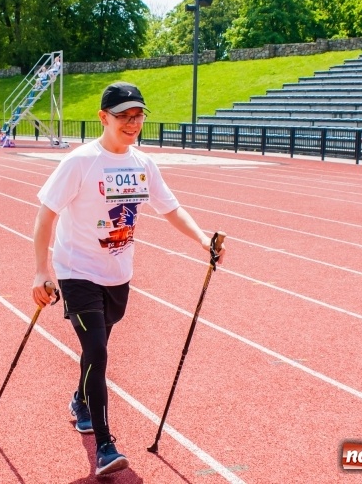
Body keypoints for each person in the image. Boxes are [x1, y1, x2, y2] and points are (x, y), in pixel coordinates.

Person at [31, 82, 225, 476]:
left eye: (138, 116)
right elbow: (46, 215)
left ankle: (81, 399)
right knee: (99, 353)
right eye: (124, 116)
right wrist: (41, 270)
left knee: (95, 349)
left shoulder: (142, 164)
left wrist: (204, 241)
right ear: (104, 117)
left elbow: (171, 209)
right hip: (77, 272)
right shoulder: (80, 162)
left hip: (118, 275)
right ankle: (105, 446)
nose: (133, 123)